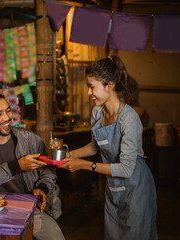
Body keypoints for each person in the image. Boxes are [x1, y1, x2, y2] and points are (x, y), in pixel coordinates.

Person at [58, 55, 157, 240]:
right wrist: (68, 155)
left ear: (109, 85)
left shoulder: (129, 118)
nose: (89, 92)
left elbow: (126, 169)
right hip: (113, 186)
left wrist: (83, 165)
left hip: (136, 185)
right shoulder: (98, 111)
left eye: (92, 86)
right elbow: (96, 145)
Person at [0, 92, 65, 240]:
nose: (7, 118)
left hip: (30, 208)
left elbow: (49, 168)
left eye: (8, 110)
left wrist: (43, 187)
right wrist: (16, 166)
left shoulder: (30, 139)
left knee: (55, 237)